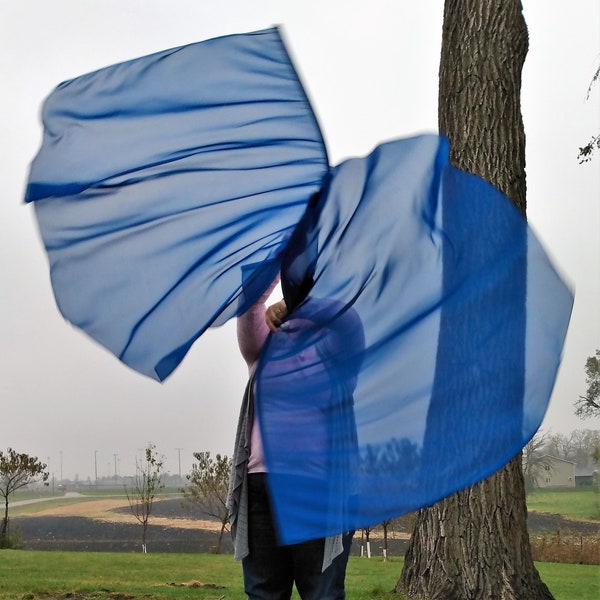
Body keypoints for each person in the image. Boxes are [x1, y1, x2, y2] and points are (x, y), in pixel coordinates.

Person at [227, 278, 355, 600]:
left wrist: (295, 302)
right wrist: (277, 253)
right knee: (263, 594)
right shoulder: (263, 348)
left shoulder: (334, 350)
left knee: (322, 594)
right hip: (262, 486)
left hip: (317, 489)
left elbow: (347, 319)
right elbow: (251, 301)